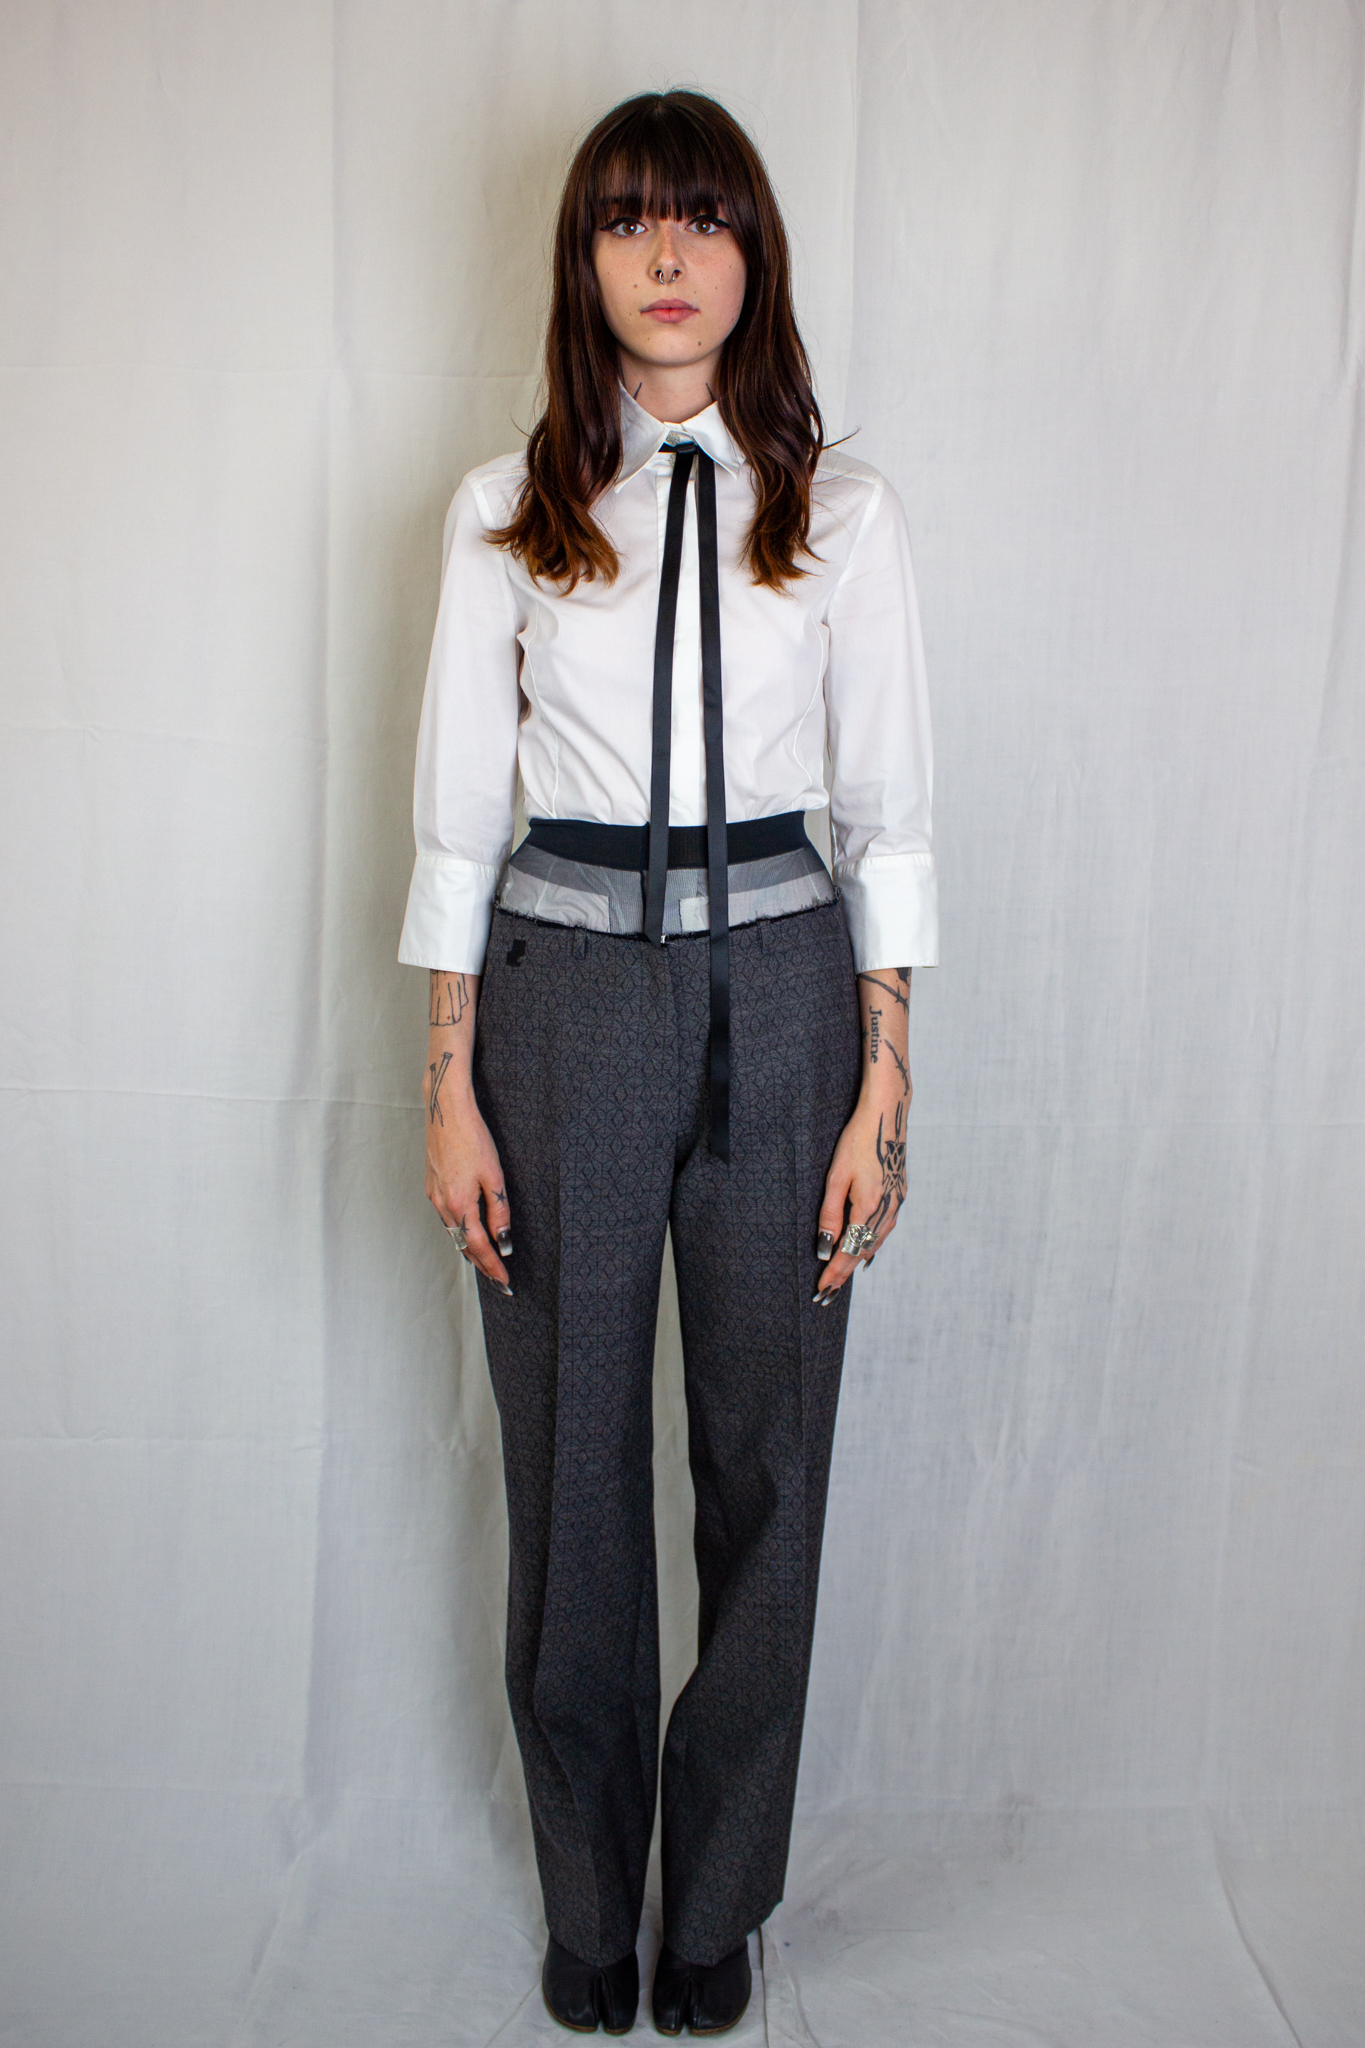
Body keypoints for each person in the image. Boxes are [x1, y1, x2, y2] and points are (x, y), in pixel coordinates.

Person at [398, 88, 936, 2038]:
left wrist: (883, 1083)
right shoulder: (503, 507)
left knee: (767, 1459)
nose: (667, 254)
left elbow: (885, 813)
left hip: (786, 991)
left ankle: (713, 1904)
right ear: (585, 260)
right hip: (561, 999)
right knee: (570, 1464)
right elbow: (457, 819)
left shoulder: (840, 511)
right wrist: (450, 1083)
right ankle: (585, 1898)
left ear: (750, 253)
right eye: (628, 219)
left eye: (701, 218)